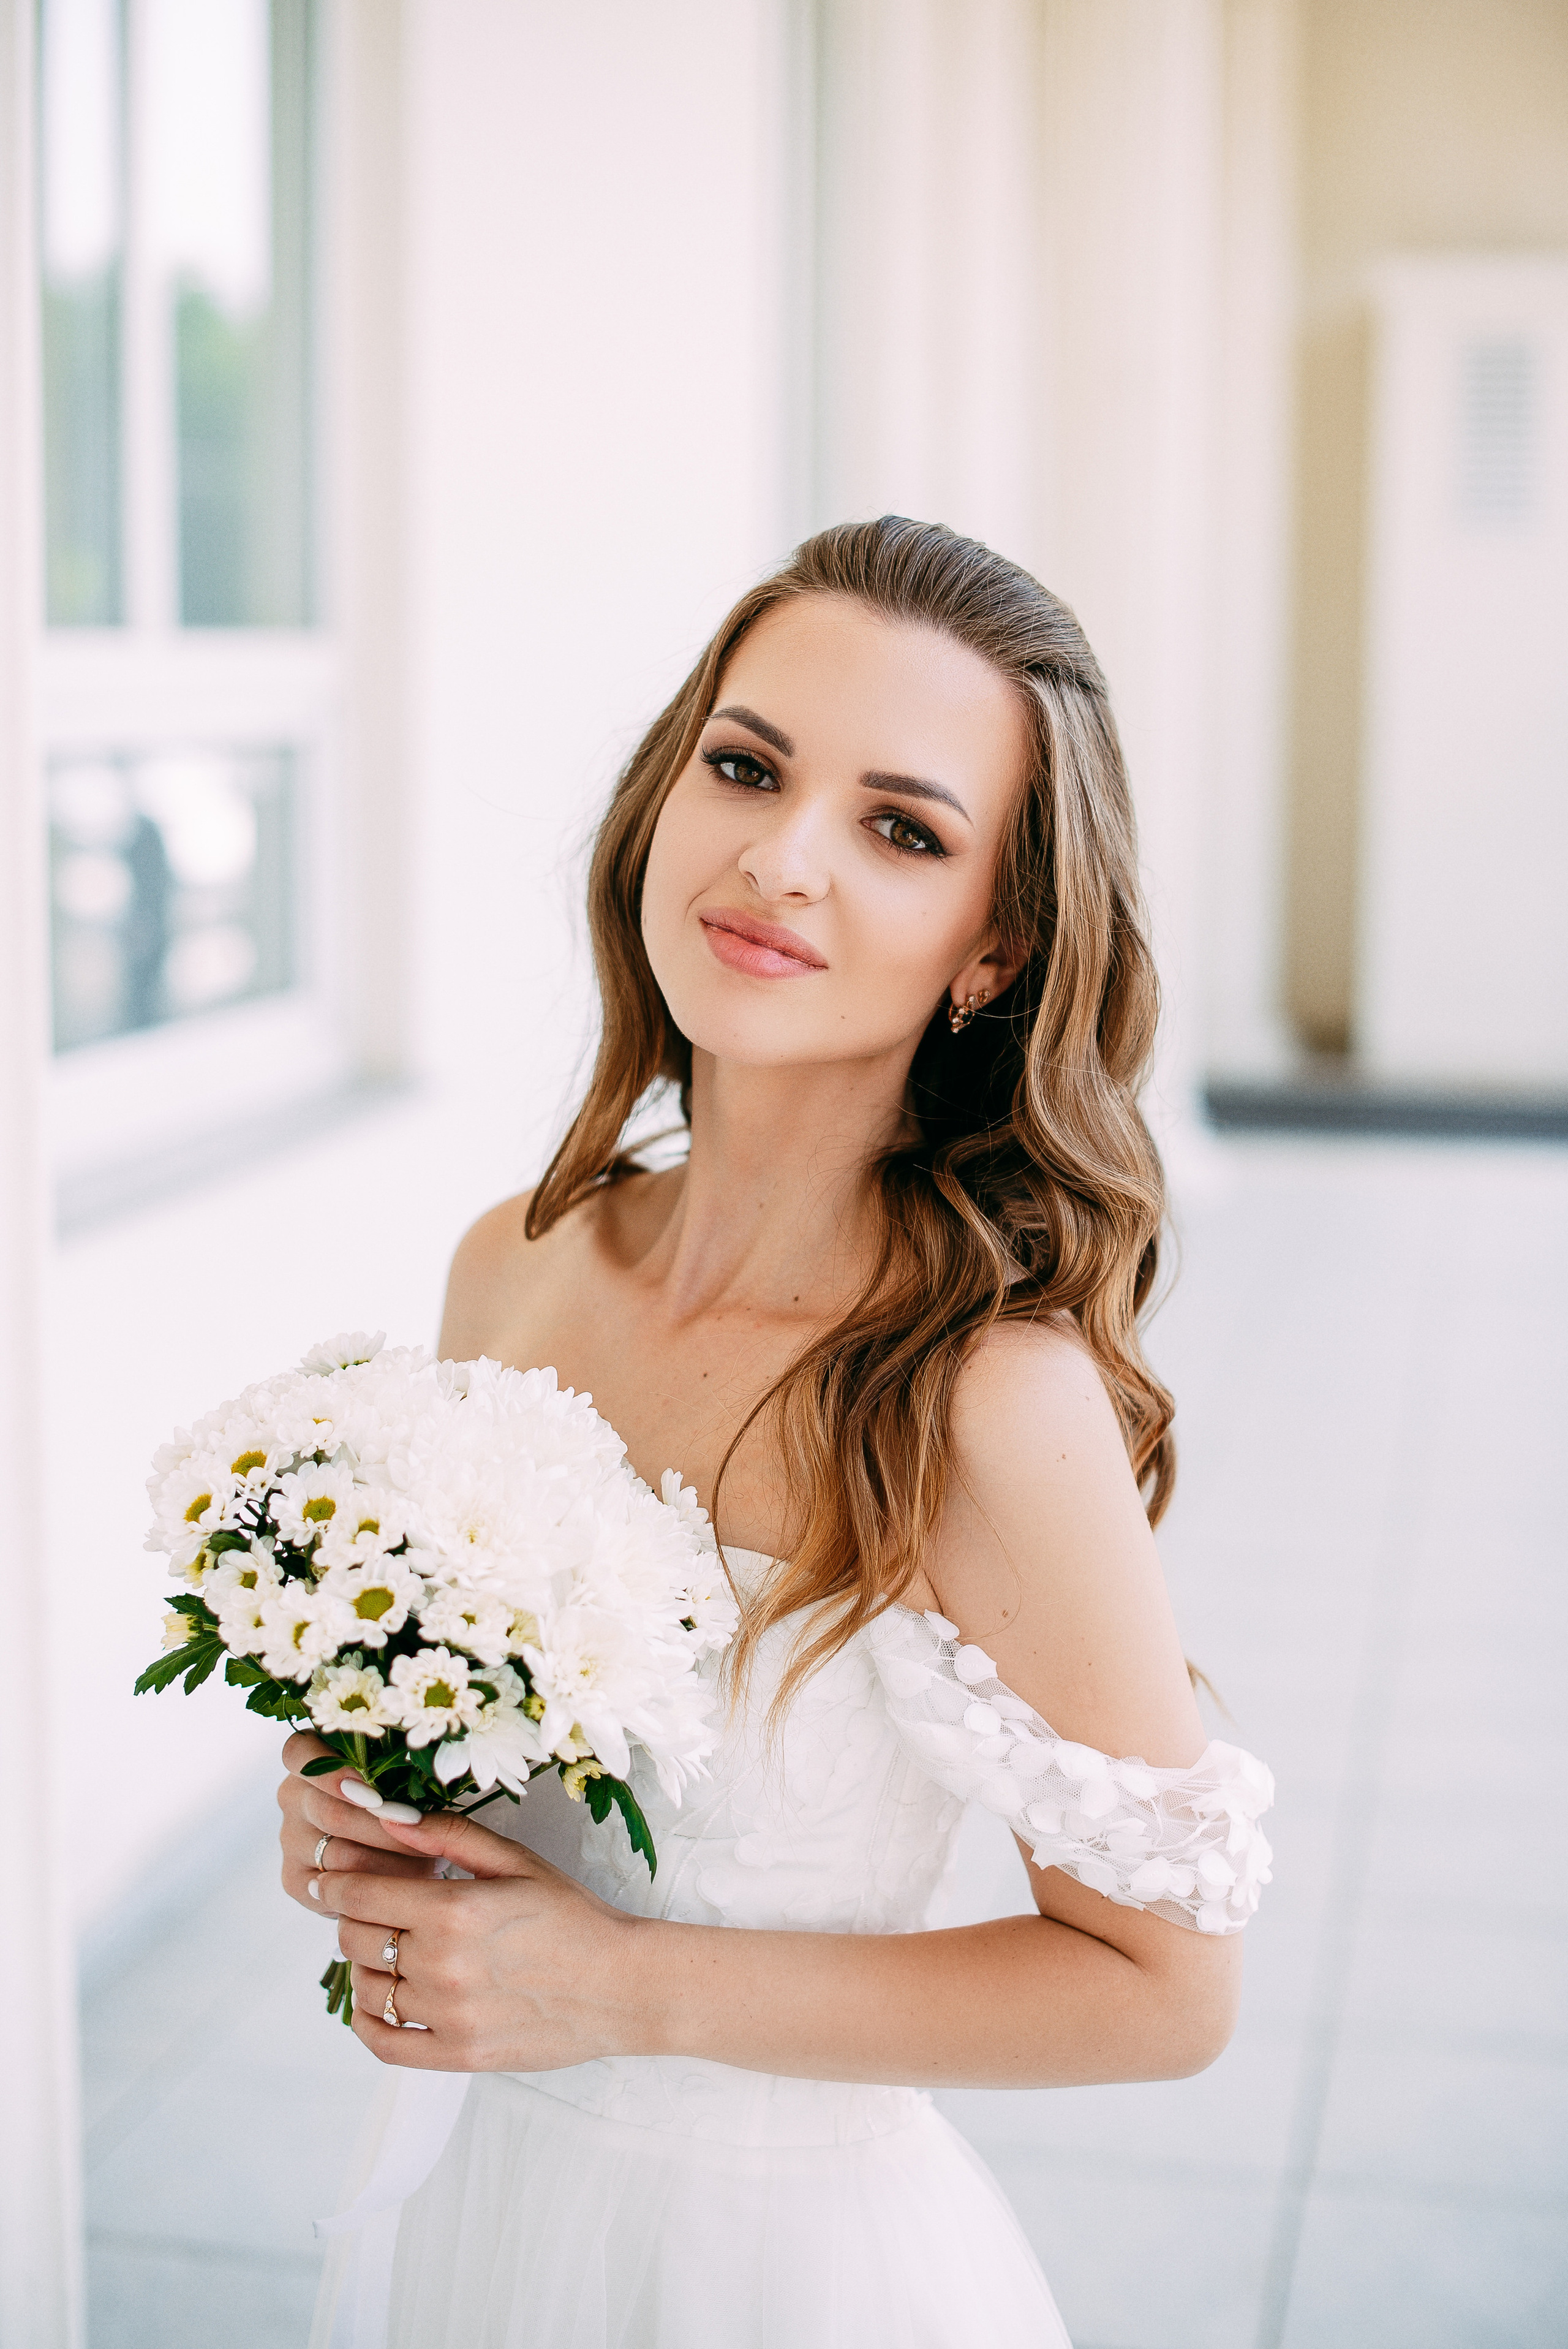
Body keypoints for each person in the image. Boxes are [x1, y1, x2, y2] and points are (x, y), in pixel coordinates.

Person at [279, 517, 1274, 2348]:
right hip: (477, 2206)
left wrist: (629, 1985)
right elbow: (484, 1771)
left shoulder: (982, 1396)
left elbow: (1163, 1990)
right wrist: (366, 1814)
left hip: (774, 2266)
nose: (780, 859)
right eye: (747, 766)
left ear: (995, 950)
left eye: (902, 830)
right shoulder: (509, 1264)